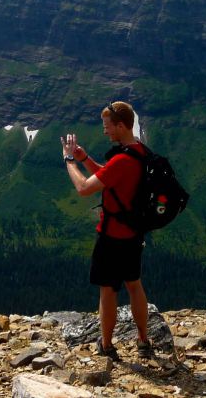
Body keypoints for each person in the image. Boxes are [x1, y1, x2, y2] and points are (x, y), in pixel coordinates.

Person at [61, 101, 153, 361]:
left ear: (121, 125)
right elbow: (109, 176)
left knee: (108, 290)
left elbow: (84, 188)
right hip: (134, 234)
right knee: (134, 285)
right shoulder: (139, 152)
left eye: (108, 126)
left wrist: (70, 162)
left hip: (112, 235)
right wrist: (85, 158)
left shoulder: (123, 158)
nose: (105, 132)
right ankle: (143, 340)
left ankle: (107, 345)